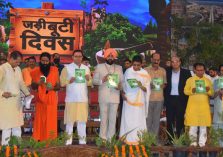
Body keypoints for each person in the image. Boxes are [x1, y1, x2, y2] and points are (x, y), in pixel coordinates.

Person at [60, 50, 91, 145]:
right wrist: (69, 80)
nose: (78, 58)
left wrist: (88, 79)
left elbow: (90, 83)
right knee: (70, 122)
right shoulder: (67, 68)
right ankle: (68, 142)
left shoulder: (86, 68)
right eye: (76, 56)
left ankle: (82, 142)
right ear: (72, 57)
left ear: (82, 58)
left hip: (83, 99)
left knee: (82, 122)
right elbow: (62, 83)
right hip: (71, 99)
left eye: (80, 56)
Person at [0, 51, 30, 145]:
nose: (18, 64)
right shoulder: (2, 68)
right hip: (6, 102)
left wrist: (27, 94)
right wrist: (2, 93)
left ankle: (18, 148)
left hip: (16, 102)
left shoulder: (18, 69)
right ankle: (5, 150)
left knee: (17, 126)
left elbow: (21, 83)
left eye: (19, 62)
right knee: (7, 127)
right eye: (17, 62)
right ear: (10, 58)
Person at [93, 48, 123, 140]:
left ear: (114, 57)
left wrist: (119, 87)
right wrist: (103, 80)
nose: (110, 57)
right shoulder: (99, 67)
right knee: (104, 119)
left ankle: (111, 139)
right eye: (108, 56)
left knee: (113, 119)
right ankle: (103, 139)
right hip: (103, 97)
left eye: (112, 56)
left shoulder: (119, 67)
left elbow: (122, 82)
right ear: (105, 57)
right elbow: (94, 81)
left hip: (115, 96)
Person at [119, 55, 151, 145]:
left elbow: (147, 90)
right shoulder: (128, 72)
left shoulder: (145, 73)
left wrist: (141, 86)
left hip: (139, 101)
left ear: (141, 64)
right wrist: (122, 94)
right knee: (128, 120)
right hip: (128, 100)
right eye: (134, 65)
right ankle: (127, 140)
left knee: (138, 120)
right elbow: (123, 85)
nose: (136, 67)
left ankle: (138, 140)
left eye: (138, 65)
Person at [31, 52, 60, 141]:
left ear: (49, 61)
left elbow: (58, 87)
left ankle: (51, 140)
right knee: (40, 121)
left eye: (46, 61)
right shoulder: (35, 71)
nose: (44, 63)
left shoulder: (55, 70)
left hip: (51, 99)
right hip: (40, 99)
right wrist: (37, 83)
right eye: (43, 60)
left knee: (51, 120)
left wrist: (53, 88)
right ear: (40, 60)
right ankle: (38, 139)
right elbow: (33, 87)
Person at [184, 63, 213, 147]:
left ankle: (202, 144)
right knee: (193, 126)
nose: (200, 72)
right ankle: (192, 144)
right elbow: (185, 91)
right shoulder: (190, 80)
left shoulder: (208, 80)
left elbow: (212, 93)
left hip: (204, 107)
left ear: (204, 70)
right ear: (194, 70)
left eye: (202, 70)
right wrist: (192, 91)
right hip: (193, 107)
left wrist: (208, 90)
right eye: (198, 70)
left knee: (203, 126)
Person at [164, 56, 191, 143]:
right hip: (170, 99)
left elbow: (189, 86)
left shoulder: (186, 73)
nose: (174, 63)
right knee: (170, 120)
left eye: (176, 61)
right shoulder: (167, 71)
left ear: (180, 62)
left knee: (180, 120)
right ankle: (170, 140)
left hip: (181, 99)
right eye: (172, 61)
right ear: (171, 63)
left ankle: (180, 140)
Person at [145, 52, 167, 136]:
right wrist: (148, 85)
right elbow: (143, 83)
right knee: (148, 119)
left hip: (159, 99)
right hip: (148, 98)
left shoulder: (163, 70)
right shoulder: (146, 70)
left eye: (158, 60)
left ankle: (154, 139)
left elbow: (165, 84)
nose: (156, 61)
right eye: (154, 59)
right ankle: (147, 139)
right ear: (151, 59)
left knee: (157, 119)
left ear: (160, 61)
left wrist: (162, 85)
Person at [212, 64, 223, 146]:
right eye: (222, 70)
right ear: (219, 71)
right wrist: (218, 92)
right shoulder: (216, 81)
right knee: (217, 134)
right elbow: (212, 95)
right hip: (218, 111)